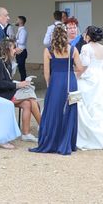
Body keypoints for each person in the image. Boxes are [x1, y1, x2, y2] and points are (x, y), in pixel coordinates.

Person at [30, 24, 83, 155]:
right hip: (70, 82)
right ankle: (68, 143)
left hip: (56, 82)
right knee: (69, 112)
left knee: (53, 111)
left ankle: (52, 142)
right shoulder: (73, 49)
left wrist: (50, 85)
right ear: (65, 36)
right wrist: (72, 74)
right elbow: (80, 68)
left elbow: (46, 73)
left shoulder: (48, 51)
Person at [0, 38, 41, 142]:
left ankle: (26, 133)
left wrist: (20, 83)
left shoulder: (5, 61)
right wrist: (19, 85)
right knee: (31, 97)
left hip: (5, 92)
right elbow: (1, 84)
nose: (15, 50)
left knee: (27, 103)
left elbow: (6, 81)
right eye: (14, 47)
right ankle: (45, 128)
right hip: (0, 94)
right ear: (7, 49)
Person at [14, 16, 28, 81]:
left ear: (20, 21)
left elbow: (22, 41)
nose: (16, 21)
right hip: (19, 51)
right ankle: (23, 81)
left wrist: (14, 40)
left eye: (17, 20)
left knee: (22, 68)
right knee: (20, 68)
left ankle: (24, 82)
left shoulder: (23, 31)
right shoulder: (20, 30)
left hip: (21, 51)